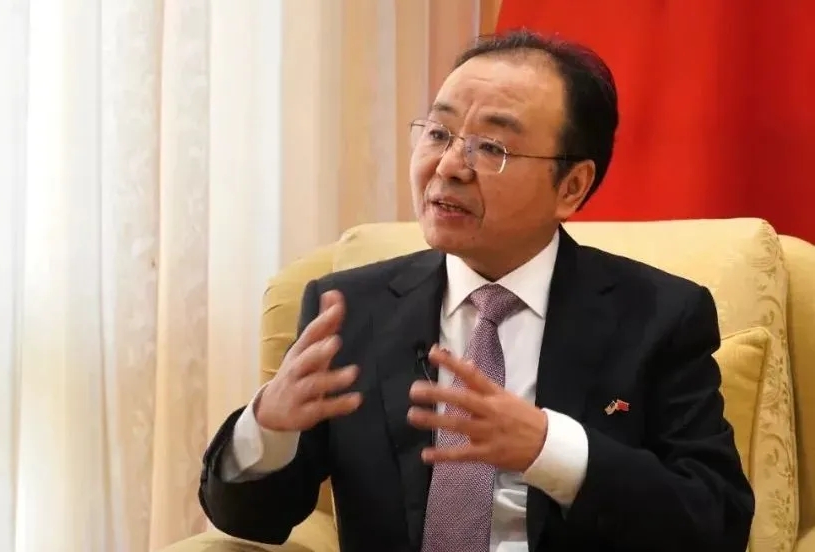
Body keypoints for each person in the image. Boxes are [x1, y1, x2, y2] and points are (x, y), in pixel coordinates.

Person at [197, 29, 754, 552]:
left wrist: (549, 449)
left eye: (492, 147)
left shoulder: (659, 316)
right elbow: (253, 520)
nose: (447, 166)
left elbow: (717, 521)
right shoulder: (350, 310)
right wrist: (267, 427)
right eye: (438, 134)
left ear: (572, 186)